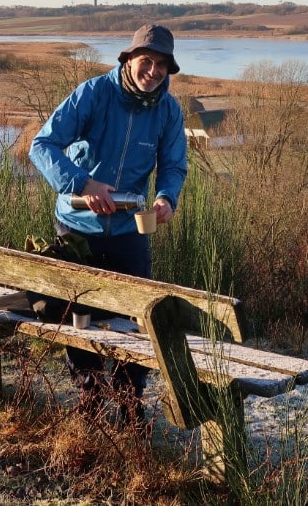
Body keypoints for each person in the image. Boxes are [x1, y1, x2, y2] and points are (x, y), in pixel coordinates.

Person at [28, 23, 187, 415]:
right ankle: (91, 393)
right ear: (128, 59)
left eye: (162, 66)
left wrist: (167, 198)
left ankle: (130, 400)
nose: (153, 71)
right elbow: (42, 145)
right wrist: (83, 183)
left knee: (134, 319)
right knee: (78, 319)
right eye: (146, 61)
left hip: (130, 229)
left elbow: (173, 166)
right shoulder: (94, 94)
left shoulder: (168, 110)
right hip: (77, 227)